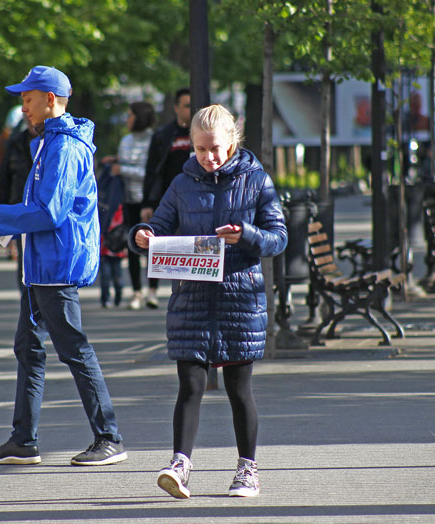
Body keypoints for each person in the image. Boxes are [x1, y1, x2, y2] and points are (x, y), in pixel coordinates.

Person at [0, 65, 126, 467]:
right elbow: (41, 211)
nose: (23, 107)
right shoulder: (48, 142)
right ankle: (23, 440)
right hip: (41, 265)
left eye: (28, 99)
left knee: (73, 348)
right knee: (29, 348)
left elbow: (49, 212)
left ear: (50, 100)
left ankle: (110, 438)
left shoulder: (63, 146)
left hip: (56, 264)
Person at [130, 104, 287, 499]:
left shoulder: (256, 179)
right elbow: (160, 224)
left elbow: (278, 237)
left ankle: (247, 469)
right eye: (200, 149)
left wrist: (246, 235)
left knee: (239, 390)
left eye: (215, 148)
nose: (208, 157)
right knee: (190, 385)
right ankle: (180, 465)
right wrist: (143, 235)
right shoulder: (183, 183)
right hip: (192, 300)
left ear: (233, 142)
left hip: (240, 300)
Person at [101, 101, 155, 310]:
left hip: (148, 199)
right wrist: (114, 162)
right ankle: (137, 292)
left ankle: (151, 290)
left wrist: (121, 169)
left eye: (131, 115)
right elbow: (126, 163)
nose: (127, 119)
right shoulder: (125, 140)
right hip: (127, 199)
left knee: (152, 245)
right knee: (133, 245)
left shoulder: (154, 140)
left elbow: (149, 173)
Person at [140, 88, 191, 309]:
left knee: (187, 245)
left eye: (192, 105)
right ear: (176, 107)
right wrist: (148, 203)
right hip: (166, 198)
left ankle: (183, 287)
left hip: (193, 199)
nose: (190, 110)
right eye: (186, 105)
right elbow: (152, 170)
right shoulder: (163, 135)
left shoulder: (200, 134)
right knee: (157, 243)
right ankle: (151, 290)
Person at [0, 110, 34, 288]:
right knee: (24, 261)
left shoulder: (55, 142)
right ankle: (27, 302)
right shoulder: (15, 142)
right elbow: (4, 179)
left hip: (45, 213)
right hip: (19, 209)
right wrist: (1, 214)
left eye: (30, 102)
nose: (27, 111)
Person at [99, 202, 127, 308]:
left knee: (117, 277)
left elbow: (124, 231)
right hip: (104, 250)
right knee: (105, 277)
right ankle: (105, 299)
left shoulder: (121, 210)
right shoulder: (102, 208)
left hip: (117, 251)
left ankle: (118, 298)